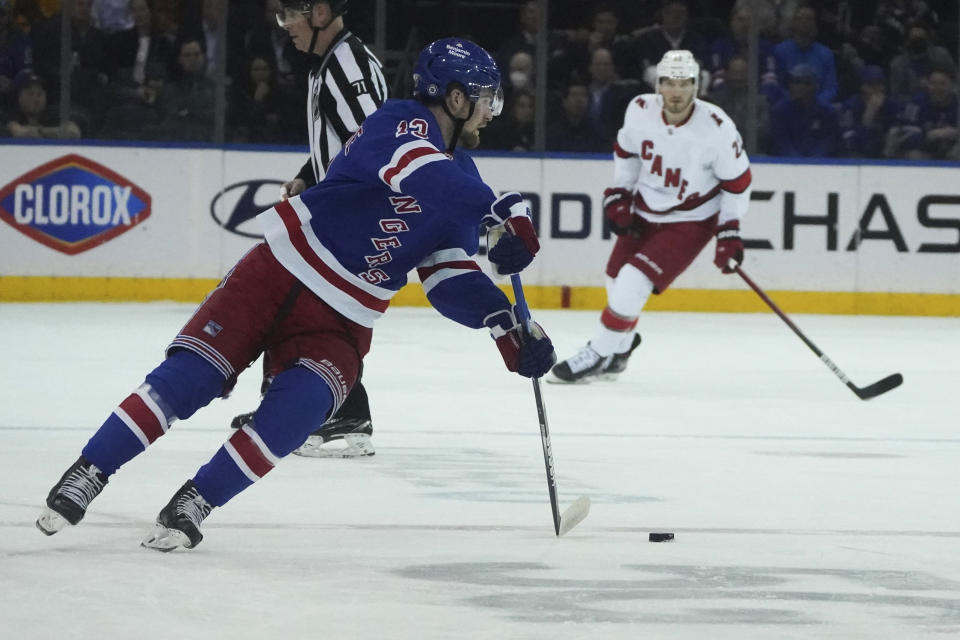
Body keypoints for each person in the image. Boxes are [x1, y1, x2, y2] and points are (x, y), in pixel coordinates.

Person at [35, 37, 556, 552]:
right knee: (189, 378)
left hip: (343, 319)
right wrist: (498, 209)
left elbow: (447, 279)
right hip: (279, 273)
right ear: (458, 99)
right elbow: (421, 176)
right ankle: (90, 470)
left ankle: (197, 501)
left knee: (297, 413)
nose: (493, 112)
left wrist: (505, 321)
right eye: (488, 98)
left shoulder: (464, 178)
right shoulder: (400, 124)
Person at [230, 0, 388, 459]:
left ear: (320, 12)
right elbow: (344, 139)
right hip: (340, 208)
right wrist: (308, 174)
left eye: (290, 16)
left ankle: (344, 417)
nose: (286, 27)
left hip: (353, 214)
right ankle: (295, 406)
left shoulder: (347, 64)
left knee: (315, 311)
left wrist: (336, 201)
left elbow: (376, 145)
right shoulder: (331, 61)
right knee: (295, 306)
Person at [549, 50, 751, 384]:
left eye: (684, 83)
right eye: (669, 83)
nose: (676, 91)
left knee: (633, 279)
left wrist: (729, 229)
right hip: (645, 209)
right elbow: (626, 155)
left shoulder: (717, 128)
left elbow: (738, 183)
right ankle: (622, 346)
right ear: (658, 84)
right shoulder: (640, 110)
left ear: (696, 86)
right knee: (615, 278)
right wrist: (619, 193)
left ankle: (598, 351)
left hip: (691, 218)